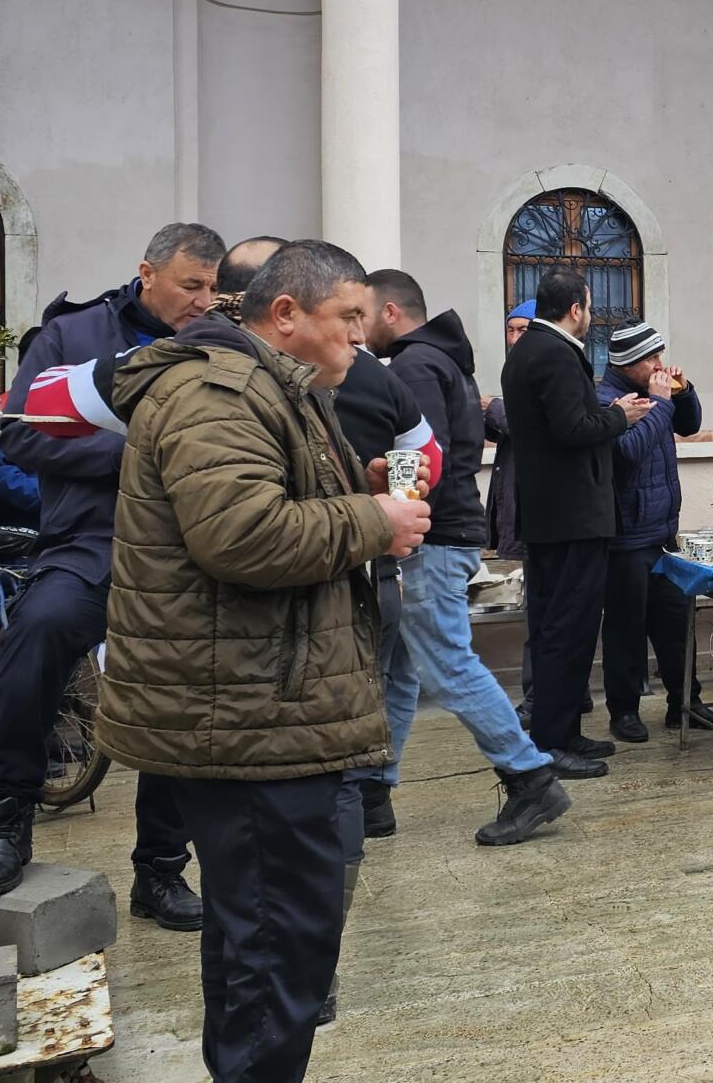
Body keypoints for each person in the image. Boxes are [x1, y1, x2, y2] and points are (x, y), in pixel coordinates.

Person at [96, 240, 432, 1083]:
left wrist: (359, 489)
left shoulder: (268, 387)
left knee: (270, 935)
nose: (362, 340)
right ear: (285, 315)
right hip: (247, 712)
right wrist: (370, 522)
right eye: (348, 320)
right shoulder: (221, 388)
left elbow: (262, 501)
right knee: (275, 947)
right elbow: (240, 534)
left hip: (260, 704)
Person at [0, 222, 221, 928]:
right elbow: (22, 430)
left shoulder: (218, 341)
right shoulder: (74, 334)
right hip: (92, 539)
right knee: (37, 632)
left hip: (189, 548)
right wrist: (134, 456)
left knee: (180, 697)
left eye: (213, 287)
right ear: (147, 272)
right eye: (191, 285)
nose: (204, 300)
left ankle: (160, 870)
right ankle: (7, 819)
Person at [364, 269, 576, 844]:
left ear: (389, 312)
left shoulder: (412, 366)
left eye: (360, 314)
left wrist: (389, 514)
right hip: (445, 530)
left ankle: (531, 777)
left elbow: (419, 458)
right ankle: (373, 793)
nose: (356, 330)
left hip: (430, 535)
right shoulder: (444, 360)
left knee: (449, 666)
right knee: (406, 670)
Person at [500, 269, 657, 762]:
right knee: (567, 629)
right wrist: (621, 417)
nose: (589, 316)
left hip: (553, 514)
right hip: (571, 516)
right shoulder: (555, 353)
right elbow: (572, 428)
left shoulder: (527, 350)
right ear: (576, 310)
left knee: (557, 626)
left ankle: (563, 730)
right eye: (588, 307)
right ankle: (554, 739)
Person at [596, 321, 713, 737]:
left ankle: (686, 703)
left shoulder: (654, 394)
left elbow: (690, 426)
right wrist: (662, 403)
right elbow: (626, 454)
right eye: (651, 359)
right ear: (628, 364)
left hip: (663, 531)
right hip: (626, 536)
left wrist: (685, 392)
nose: (659, 365)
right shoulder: (607, 400)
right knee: (626, 628)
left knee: (676, 622)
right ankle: (623, 711)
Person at [483, 299, 536, 566]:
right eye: (510, 330)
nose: (514, 338)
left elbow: (532, 425)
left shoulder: (547, 368)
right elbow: (505, 434)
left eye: (522, 330)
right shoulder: (516, 370)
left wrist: (492, 407)